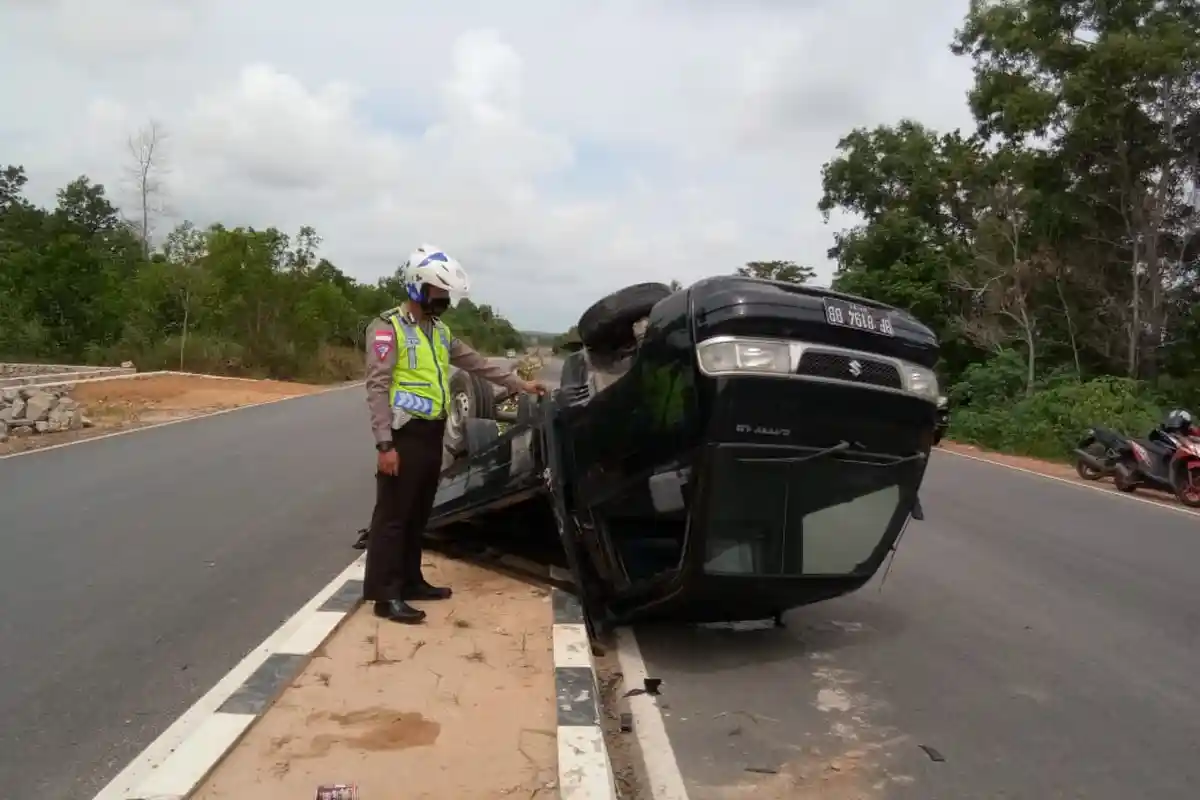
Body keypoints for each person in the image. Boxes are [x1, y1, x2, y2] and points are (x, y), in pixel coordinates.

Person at [363, 244, 547, 624]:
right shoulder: (387, 328)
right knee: (393, 514)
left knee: (418, 512)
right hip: (402, 433)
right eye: (439, 293)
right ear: (417, 288)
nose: (444, 301)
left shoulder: (440, 332)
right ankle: (386, 594)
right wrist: (384, 444)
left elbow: (478, 365)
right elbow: (377, 387)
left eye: (447, 295)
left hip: (432, 432)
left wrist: (521, 384)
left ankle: (411, 581)